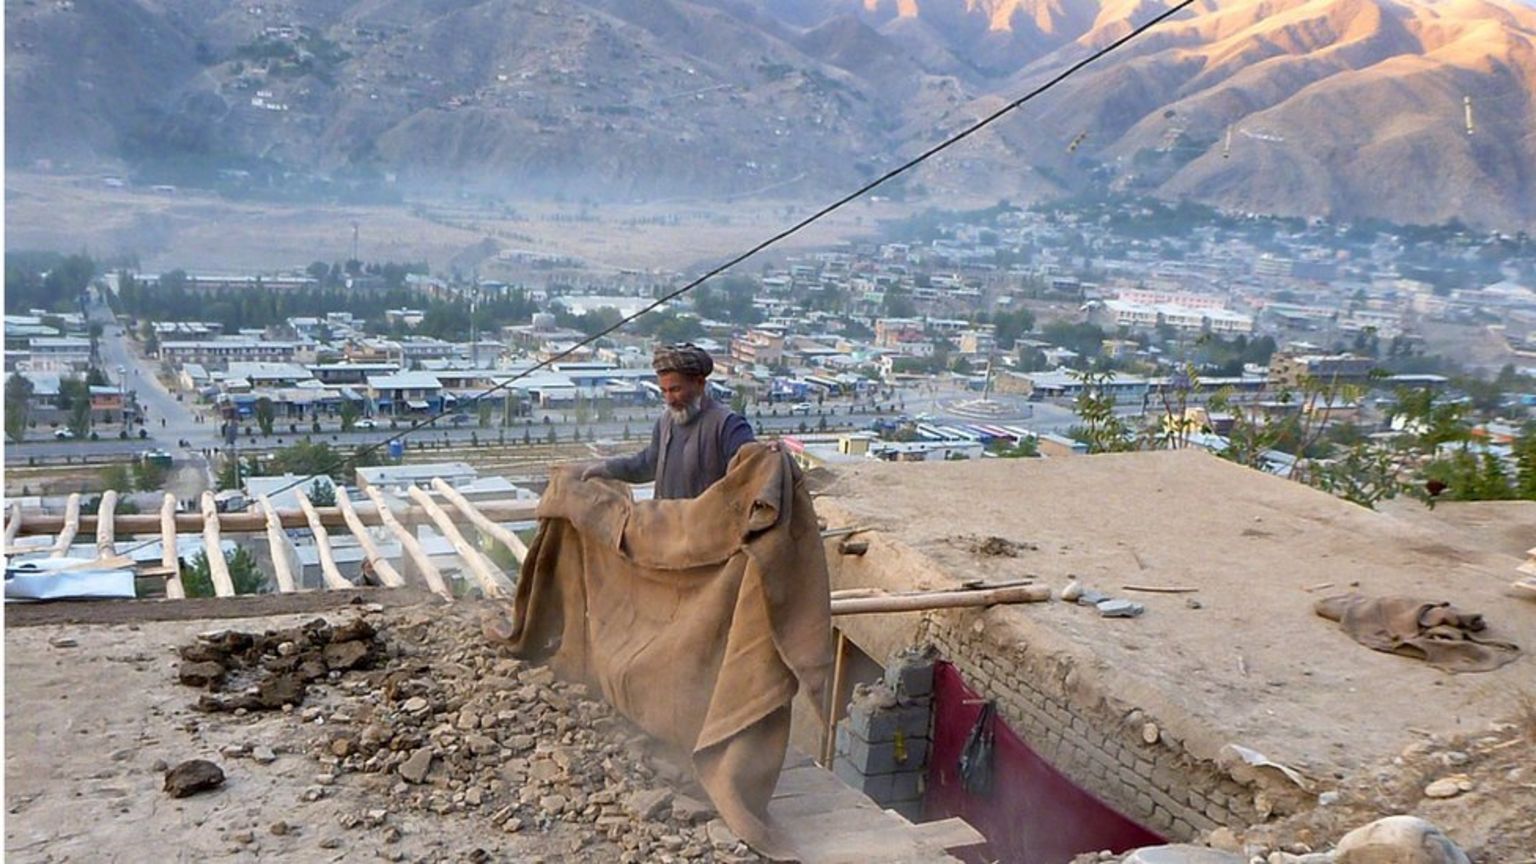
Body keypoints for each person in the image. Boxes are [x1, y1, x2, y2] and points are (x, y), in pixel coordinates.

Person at [581, 343, 754, 499]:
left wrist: (767, 455)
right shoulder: (665, 422)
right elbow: (647, 464)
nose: (669, 399)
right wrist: (607, 469)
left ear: (700, 383)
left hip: (708, 532)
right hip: (666, 528)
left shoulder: (729, 426)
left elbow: (752, 471)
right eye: (664, 391)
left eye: (675, 389)